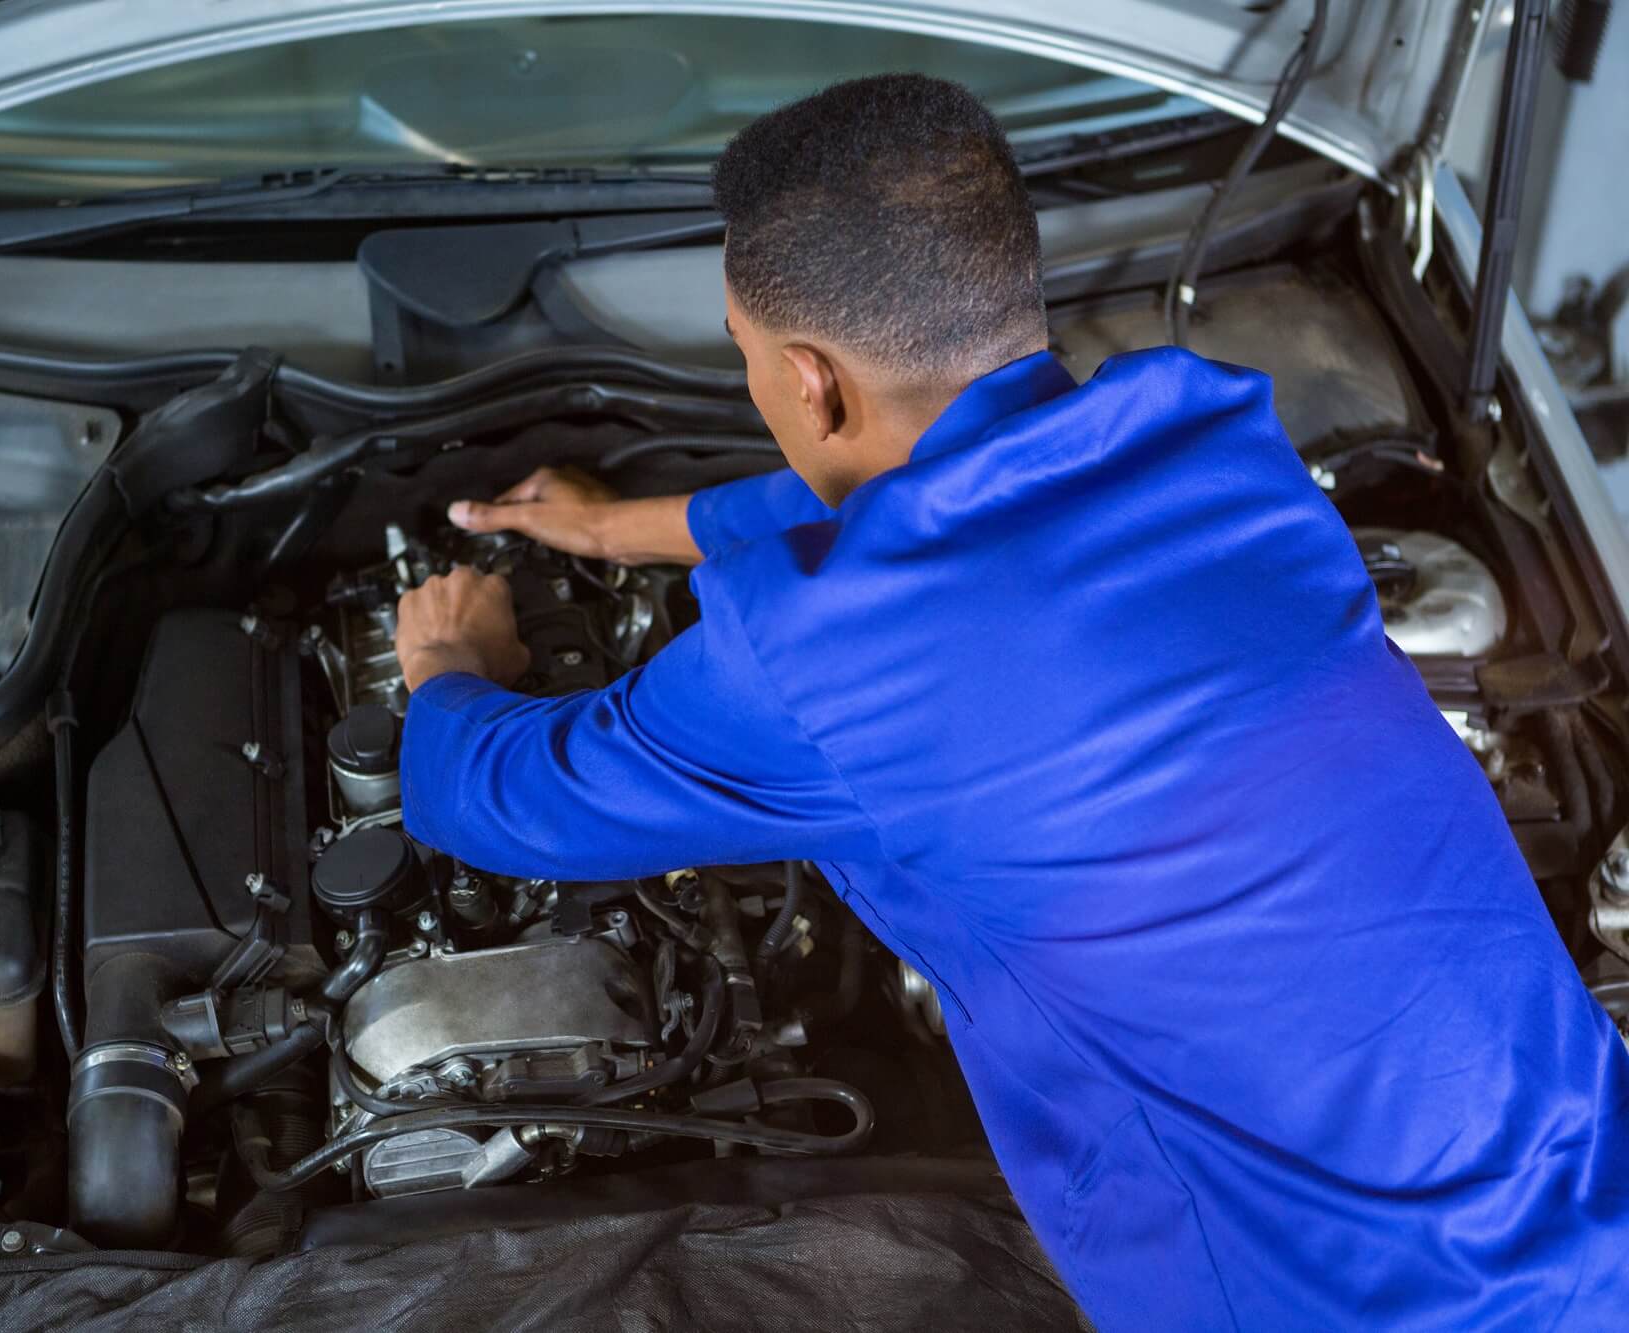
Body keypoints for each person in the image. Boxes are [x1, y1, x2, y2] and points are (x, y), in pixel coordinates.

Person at [390, 74, 1629, 1327]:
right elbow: (945, 516)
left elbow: (495, 799)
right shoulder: (1216, 442)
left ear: (808, 383)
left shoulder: (821, 658)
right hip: (1588, 1193)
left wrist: (446, 659)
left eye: (744, 355)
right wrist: (616, 530)